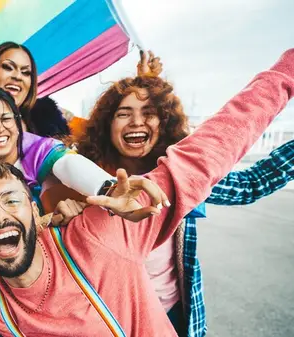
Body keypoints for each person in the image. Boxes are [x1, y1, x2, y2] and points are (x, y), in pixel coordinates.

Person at [0, 48, 294, 337]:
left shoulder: (108, 227)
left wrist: (287, 70)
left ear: (32, 204)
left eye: (9, 201)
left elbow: (215, 145)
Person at [75, 51, 294, 336]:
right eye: (123, 114)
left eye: (150, 113)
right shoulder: (83, 180)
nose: (136, 122)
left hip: (176, 317)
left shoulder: (179, 178)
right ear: (107, 125)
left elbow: (251, 183)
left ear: (163, 123)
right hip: (110, 323)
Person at [0, 87, 115, 214]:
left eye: (6, 119)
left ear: (18, 123)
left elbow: (67, 163)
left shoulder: (41, 149)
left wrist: (109, 189)